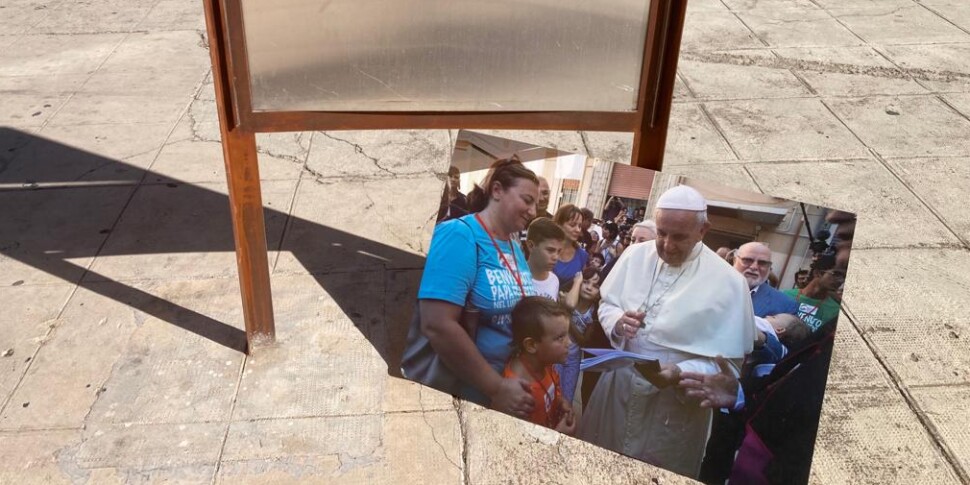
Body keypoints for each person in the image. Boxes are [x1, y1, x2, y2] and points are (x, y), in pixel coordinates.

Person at [578, 185, 755, 478]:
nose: (667, 245)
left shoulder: (729, 283)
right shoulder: (634, 255)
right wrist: (618, 323)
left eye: (679, 236)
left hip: (675, 405)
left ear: (703, 230)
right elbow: (608, 304)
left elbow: (729, 364)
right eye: (661, 233)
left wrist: (681, 371)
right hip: (618, 388)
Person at [402, 157, 540, 417]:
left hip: (501, 388)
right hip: (459, 392)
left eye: (537, 204)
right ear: (497, 190)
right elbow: (437, 325)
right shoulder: (459, 234)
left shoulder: (514, 245)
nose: (533, 212)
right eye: (527, 200)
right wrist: (497, 387)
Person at [503, 297, 576, 434]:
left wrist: (561, 401)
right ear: (531, 345)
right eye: (560, 337)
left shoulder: (546, 364)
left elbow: (553, 390)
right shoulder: (518, 395)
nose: (569, 343)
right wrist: (558, 434)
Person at [556, 267, 603, 407]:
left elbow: (584, 341)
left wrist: (568, 316)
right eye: (586, 282)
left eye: (595, 286)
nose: (589, 288)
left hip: (573, 360)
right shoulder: (569, 297)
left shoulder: (594, 313)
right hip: (555, 355)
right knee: (554, 393)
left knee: (567, 398)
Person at [734, 242, 799, 318]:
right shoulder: (717, 286)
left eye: (762, 263)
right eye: (748, 260)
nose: (754, 267)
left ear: (769, 267)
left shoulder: (786, 306)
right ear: (735, 261)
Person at [782, 254, 843, 332]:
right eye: (836, 274)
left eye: (843, 276)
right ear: (817, 273)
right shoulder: (785, 295)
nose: (840, 280)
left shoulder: (835, 310)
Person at [552, 204, 589, 288]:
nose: (578, 230)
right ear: (559, 224)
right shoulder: (546, 249)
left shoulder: (582, 255)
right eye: (572, 225)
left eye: (579, 226)